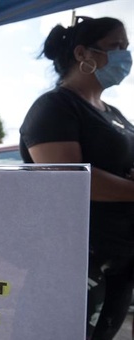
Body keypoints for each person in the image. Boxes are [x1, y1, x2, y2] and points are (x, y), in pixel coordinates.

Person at [19, 17, 133, 340]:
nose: (126, 56)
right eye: (116, 47)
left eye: (127, 47)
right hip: (73, 265)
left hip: (120, 262)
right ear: (83, 53)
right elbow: (69, 179)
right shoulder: (54, 107)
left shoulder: (114, 114)